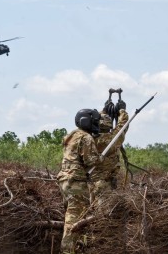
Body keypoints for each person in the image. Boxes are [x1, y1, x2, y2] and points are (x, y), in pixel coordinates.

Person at [57, 109, 101, 254]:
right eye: (94, 121)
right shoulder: (86, 137)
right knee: (74, 221)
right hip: (76, 182)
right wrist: (100, 158)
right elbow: (90, 161)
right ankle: (68, 251)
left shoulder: (71, 136)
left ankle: (78, 248)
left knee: (74, 215)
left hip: (64, 181)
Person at [90, 99, 129, 205]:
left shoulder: (89, 139)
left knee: (89, 209)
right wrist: (122, 111)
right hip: (104, 184)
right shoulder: (113, 139)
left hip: (90, 181)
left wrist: (103, 111)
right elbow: (123, 126)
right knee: (103, 214)